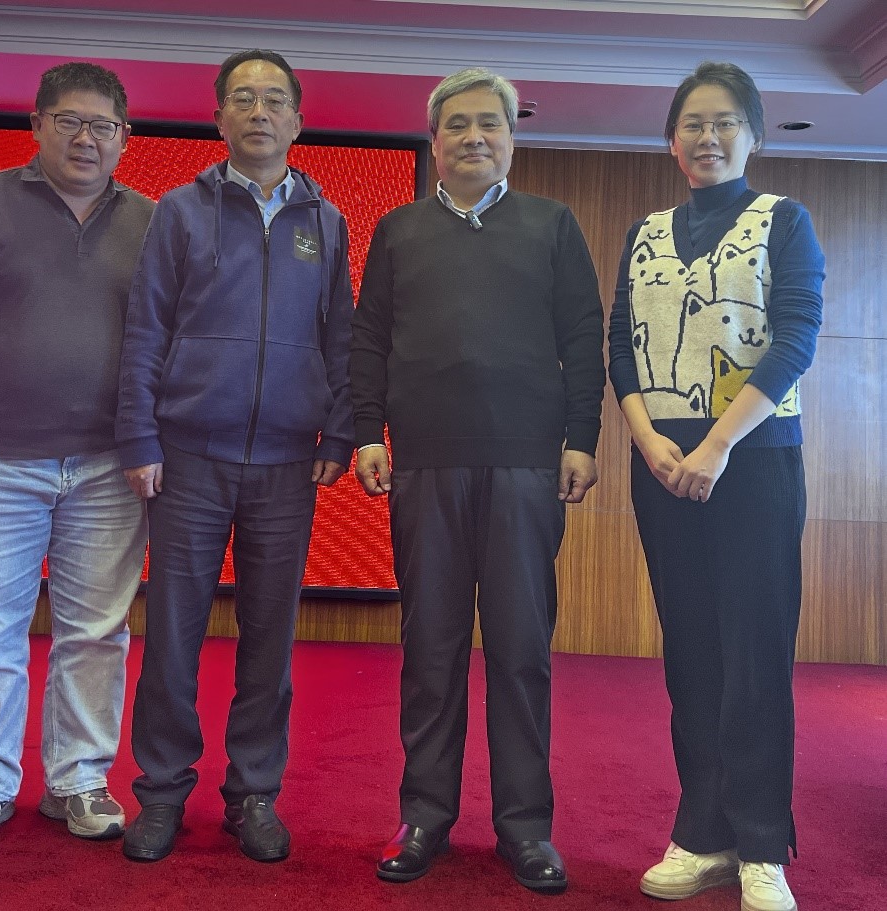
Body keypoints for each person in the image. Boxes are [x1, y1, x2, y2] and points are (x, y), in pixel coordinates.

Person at [349, 67, 605, 891]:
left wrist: (581, 438)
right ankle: (425, 815)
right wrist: (366, 431)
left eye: (489, 123)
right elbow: (369, 339)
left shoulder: (552, 225)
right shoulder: (397, 229)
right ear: (434, 140)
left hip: (528, 463)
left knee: (522, 651)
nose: (474, 137)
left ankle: (525, 826)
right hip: (424, 462)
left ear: (511, 138)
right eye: (456, 124)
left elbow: (583, 336)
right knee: (431, 649)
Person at [0, 61, 153, 849]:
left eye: (102, 126)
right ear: (36, 124)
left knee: (97, 632)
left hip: (110, 466)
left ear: (124, 138)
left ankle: (78, 778)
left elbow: (166, 343)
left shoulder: (153, 222)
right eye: (69, 121)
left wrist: (149, 439)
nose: (86, 138)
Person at [116, 48, 354, 864]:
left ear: (297, 120)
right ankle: (160, 793)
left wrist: (340, 432)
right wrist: (139, 436)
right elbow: (146, 328)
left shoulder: (325, 222)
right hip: (188, 456)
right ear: (218, 117)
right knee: (172, 638)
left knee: (269, 642)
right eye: (244, 99)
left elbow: (340, 335)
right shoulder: (178, 212)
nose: (260, 112)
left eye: (275, 100)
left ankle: (253, 792)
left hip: (287, 464)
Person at [608, 62, 823, 911]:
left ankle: (762, 842)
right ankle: (703, 832)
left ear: (753, 135)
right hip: (661, 462)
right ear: (672, 141)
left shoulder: (784, 220)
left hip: (754, 459)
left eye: (726, 121)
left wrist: (718, 444)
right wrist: (649, 440)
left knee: (755, 652)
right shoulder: (645, 232)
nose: (708, 137)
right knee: (691, 650)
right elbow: (622, 347)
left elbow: (795, 336)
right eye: (693, 124)